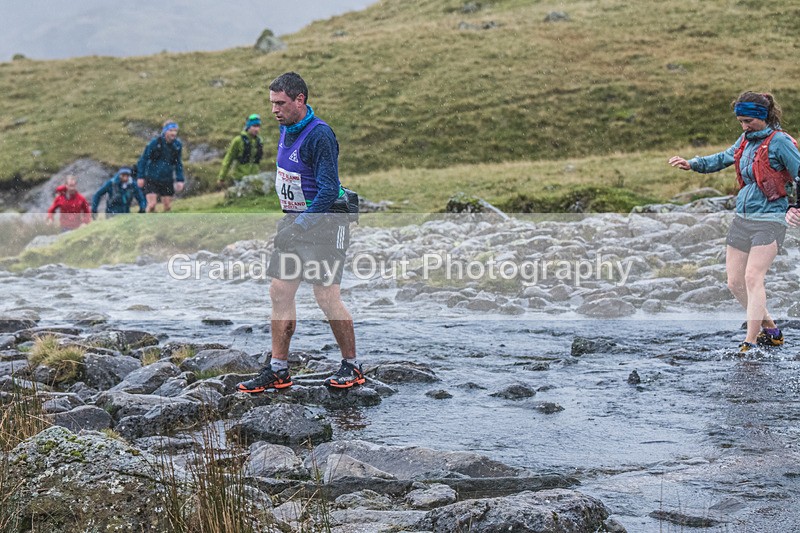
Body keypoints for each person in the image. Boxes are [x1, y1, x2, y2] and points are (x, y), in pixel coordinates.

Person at [237, 72, 362, 393]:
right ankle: (278, 368)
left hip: (325, 223)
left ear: (299, 100)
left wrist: (301, 225)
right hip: (295, 223)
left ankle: (352, 365)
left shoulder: (320, 135)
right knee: (280, 292)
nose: (274, 110)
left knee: (326, 296)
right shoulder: (285, 127)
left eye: (280, 103)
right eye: (271, 103)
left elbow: (327, 190)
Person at [669, 91, 800, 353]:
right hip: (742, 217)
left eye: (748, 121)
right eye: (740, 121)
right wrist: (692, 164)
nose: (744, 126)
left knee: (753, 277)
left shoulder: (781, 142)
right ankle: (772, 330)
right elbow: (722, 158)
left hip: (770, 218)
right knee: (734, 282)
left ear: (763, 117)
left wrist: (797, 206)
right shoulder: (745, 140)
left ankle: (750, 342)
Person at [136, 120, 185, 212]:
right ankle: (147, 223)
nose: (173, 133)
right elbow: (143, 159)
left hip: (167, 179)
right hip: (152, 178)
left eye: (175, 131)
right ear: (165, 131)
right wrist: (140, 177)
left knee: (167, 207)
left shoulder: (177, 145)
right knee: (152, 205)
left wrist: (180, 179)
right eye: (171, 130)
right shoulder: (155, 143)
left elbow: (178, 163)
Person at [217, 114, 266, 188]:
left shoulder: (260, 141)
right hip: (240, 179)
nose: (257, 129)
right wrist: (221, 177)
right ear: (248, 127)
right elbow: (228, 159)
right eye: (254, 126)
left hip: (255, 178)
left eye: (258, 126)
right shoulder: (238, 140)